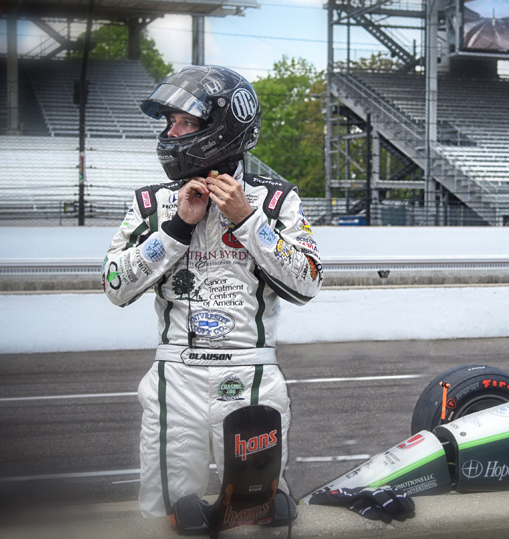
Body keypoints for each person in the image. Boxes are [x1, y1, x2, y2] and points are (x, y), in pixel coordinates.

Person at [102, 65, 322, 519]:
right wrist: (176, 229)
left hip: (252, 378)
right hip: (174, 378)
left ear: (221, 127)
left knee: (258, 511)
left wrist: (247, 221)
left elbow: (307, 281)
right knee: (164, 515)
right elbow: (114, 286)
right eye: (169, 121)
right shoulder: (152, 203)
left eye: (184, 121)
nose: (170, 132)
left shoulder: (275, 201)